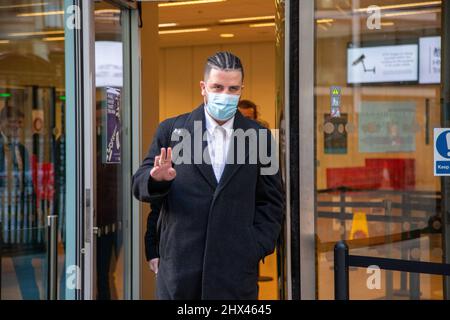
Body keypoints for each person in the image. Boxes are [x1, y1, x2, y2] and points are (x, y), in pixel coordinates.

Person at [133, 51, 283, 300]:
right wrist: (156, 178)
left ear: (241, 89)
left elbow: (272, 202)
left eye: (233, 89)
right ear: (203, 87)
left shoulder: (260, 137)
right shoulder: (171, 130)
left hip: (234, 273)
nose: (225, 95)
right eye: (217, 87)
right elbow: (141, 186)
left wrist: (254, 246)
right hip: (180, 271)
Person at [0, 105, 44, 300]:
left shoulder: (22, 149)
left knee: (24, 267)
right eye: (12, 124)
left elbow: (29, 182)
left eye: (19, 124)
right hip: (2, 215)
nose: (16, 128)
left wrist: (33, 212)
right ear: (2, 123)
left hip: (19, 219)